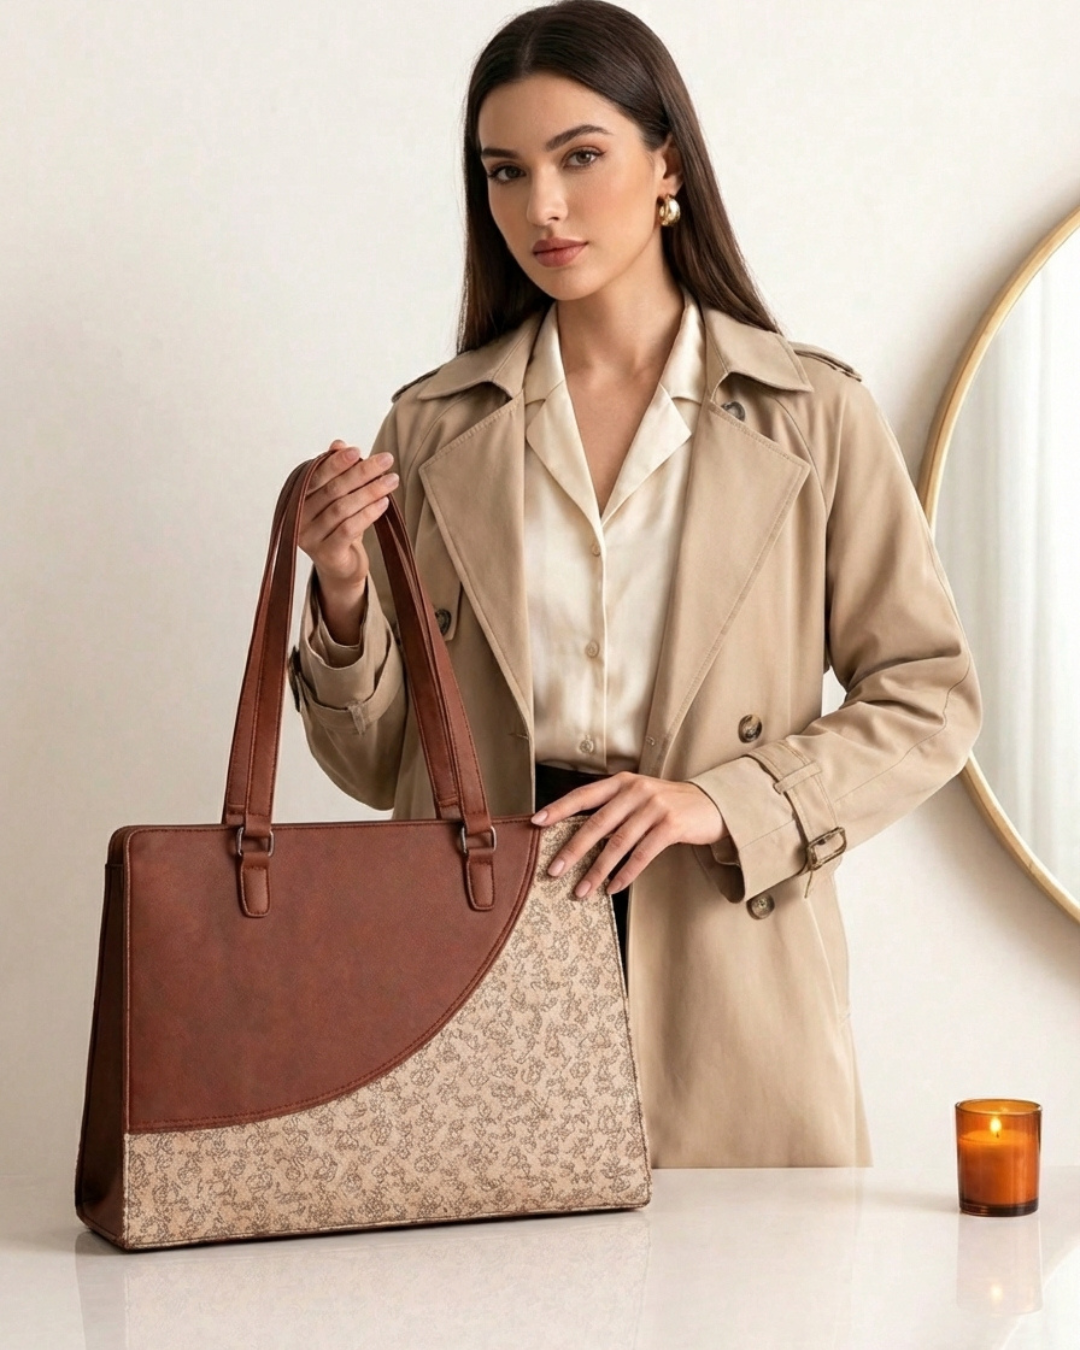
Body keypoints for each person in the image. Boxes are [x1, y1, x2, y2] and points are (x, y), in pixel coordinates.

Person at [288, 0, 981, 1167]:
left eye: (580, 157)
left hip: (723, 942)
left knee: (744, 1274)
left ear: (668, 166)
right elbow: (376, 770)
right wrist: (345, 591)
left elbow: (928, 697)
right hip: (476, 950)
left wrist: (722, 803)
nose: (542, 208)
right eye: (506, 172)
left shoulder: (812, 414)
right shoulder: (433, 428)